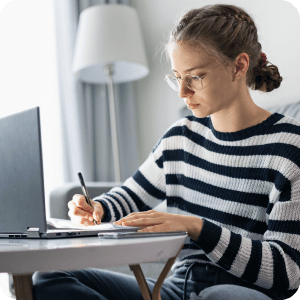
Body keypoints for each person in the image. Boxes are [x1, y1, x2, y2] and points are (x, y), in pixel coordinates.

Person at [33, 4, 300, 300]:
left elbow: (287, 273)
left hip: (240, 293)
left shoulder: (289, 147)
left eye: (195, 76)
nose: (182, 92)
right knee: (49, 277)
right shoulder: (180, 138)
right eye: (177, 77)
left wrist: (197, 228)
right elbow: (130, 196)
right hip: (176, 287)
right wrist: (97, 208)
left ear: (238, 66)